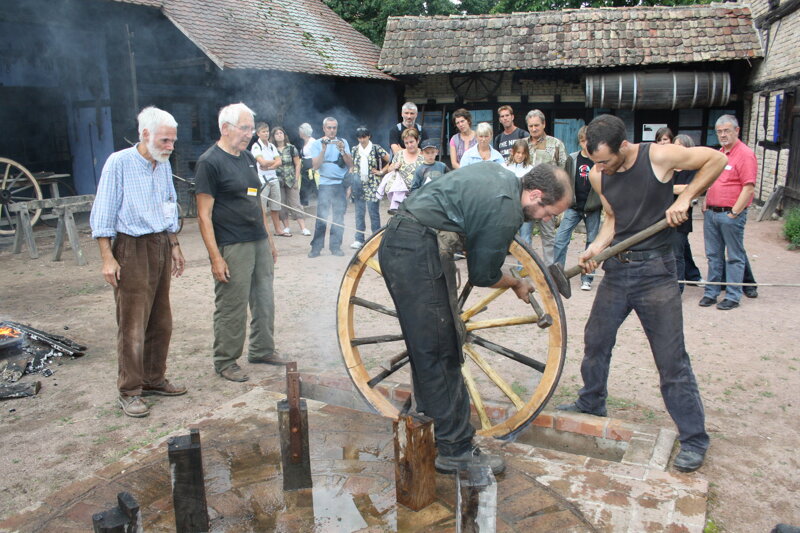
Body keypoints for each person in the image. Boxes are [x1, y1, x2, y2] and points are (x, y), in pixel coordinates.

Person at [557, 114, 727, 473]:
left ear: (623, 145)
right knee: (596, 340)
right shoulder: (600, 174)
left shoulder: (659, 156)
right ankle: (591, 402)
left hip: (657, 273)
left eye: (605, 160)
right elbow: (612, 218)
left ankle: (694, 438)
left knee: (671, 359)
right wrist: (595, 248)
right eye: (594, 161)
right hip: (617, 269)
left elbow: (716, 159)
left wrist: (686, 198)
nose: (599, 168)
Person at [380, 162, 572, 475]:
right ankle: (455, 451)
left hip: (410, 244)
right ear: (536, 195)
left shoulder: (500, 177)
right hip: (416, 250)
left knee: (431, 348)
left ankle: (433, 430)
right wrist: (515, 282)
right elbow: (483, 274)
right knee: (440, 351)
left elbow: (473, 232)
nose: (547, 219)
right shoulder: (507, 210)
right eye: (549, 212)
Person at [90, 106, 187, 418]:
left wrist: (174, 245)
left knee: (161, 320)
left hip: (160, 242)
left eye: (173, 141)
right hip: (131, 246)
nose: (170, 146)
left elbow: (169, 205)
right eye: (164, 140)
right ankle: (130, 390)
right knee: (133, 323)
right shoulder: (118, 163)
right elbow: (103, 212)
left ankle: (153, 379)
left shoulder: (163, 164)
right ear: (145, 134)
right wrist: (107, 258)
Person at [195, 102, 282, 383]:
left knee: (264, 299)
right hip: (232, 244)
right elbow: (203, 216)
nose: (249, 134)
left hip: (258, 240)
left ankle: (262, 350)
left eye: (251, 128)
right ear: (225, 128)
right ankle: (225, 360)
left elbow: (256, 200)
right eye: (244, 128)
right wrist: (215, 258)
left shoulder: (247, 158)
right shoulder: (209, 162)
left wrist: (269, 239)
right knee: (232, 304)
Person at [699, 115, 758, 310]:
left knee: (734, 256)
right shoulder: (720, 154)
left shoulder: (745, 154)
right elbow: (711, 180)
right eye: (719, 132)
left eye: (726, 131)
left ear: (736, 130)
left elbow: (748, 187)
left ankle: (733, 296)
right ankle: (711, 292)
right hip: (712, 213)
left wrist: (734, 212)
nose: (723, 135)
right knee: (713, 255)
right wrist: (706, 202)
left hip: (730, 214)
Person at [553, 126, 602, 291]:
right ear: (579, 142)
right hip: (574, 207)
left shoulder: (599, 160)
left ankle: (587, 277)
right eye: (582, 141)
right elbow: (566, 181)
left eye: (588, 141)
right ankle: (558, 275)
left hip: (592, 207)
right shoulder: (572, 159)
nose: (585, 144)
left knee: (591, 242)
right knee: (560, 239)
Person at [526, 110, 567, 265]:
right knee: (524, 237)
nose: (534, 129)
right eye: (530, 126)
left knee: (548, 237)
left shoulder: (556, 144)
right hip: (527, 199)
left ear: (543, 124)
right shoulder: (522, 144)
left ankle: (550, 271)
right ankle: (525, 269)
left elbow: (563, 172)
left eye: (536, 125)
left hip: (547, 200)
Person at [307, 117, 353, 258]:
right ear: (324, 128)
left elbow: (350, 164)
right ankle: (316, 247)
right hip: (325, 184)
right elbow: (315, 166)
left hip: (340, 184)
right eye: (329, 127)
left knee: (339, 217)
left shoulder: (343, 142)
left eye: (334, 128)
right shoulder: (316, 144)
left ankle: (335, 247)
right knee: (322, 217)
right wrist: (323, 150)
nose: (332, 130)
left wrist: (342, 151)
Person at [349, 126, 390, 248]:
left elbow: (390, 160)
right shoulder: (355, 149)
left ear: (369, 136)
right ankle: (359, 239)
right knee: (359, 213)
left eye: (364, 137)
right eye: (359, 137)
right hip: (358, 183)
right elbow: (352, 165)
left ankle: (375, 239)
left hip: (372, 184)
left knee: (373, 213)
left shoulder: (376, 148)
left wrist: (381, 171)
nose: (362, 140)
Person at [670, 134, 700, 293]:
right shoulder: (668, 168)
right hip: (664, 216)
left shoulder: (692, 170)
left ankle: (678, 288)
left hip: (681, 217)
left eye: (680, 146)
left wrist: (668, 188)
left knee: (677, 254)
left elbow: (689, 189)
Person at [272, 126, 310, 237]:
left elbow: (297, 164)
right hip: (278, 180)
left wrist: (296, 179)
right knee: (281, 204)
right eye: (277, 133)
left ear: (284, 135)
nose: (279, 135)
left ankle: (303, 227)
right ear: (273, 136)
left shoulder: (291, 148)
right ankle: (286, 227)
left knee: (295, 203)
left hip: (290, 179)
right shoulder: (271, 149)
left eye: (281, 133)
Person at [250, 122, 283, 237]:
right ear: (258, 133)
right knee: (262, 208)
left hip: (273, 178)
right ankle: (264, 231)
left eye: (267, 131)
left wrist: (270, 166)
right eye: (263, 131)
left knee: (276, 207)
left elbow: (280, 161)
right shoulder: (256, 146)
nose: (266, 133)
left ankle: (278, 229)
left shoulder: (272, 146)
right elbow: (262, 162)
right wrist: (274, 162)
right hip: (262, 180)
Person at [298, 123, 317, 206]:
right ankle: (304, 204)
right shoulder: (305, 142)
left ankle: (324, 205)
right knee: (303, 188)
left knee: (315, 187)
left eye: (300, 131)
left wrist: (313, 167)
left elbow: (317, 155)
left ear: (304, 132)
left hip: (312, 169)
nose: (299, 133)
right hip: (305, 169)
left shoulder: (313, 141)